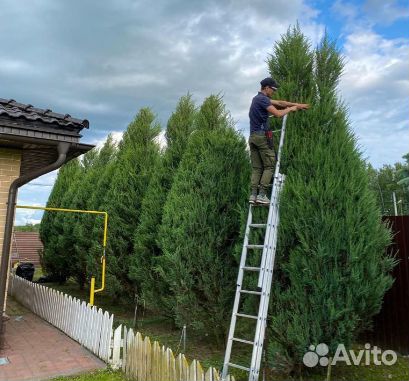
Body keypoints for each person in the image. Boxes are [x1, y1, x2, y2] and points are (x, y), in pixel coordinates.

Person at [249, 77, 309, 205]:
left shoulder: (257, 99)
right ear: (266, 88)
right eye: (273, 89)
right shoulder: (263, 100)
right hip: (261, 136)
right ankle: (262, 195)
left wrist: (297, 105)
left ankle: (253, 195)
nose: (274, 91)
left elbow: (280, 103)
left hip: (253, 137)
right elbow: (277, 113)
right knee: (270, 165)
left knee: (257, 168)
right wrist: (291, 109)